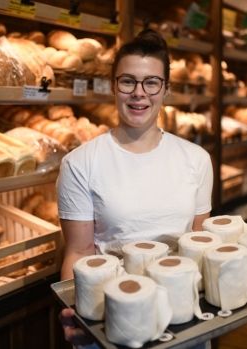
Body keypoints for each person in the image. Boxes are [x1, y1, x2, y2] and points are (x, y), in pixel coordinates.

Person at [56, 29, 214, 348]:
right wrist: (77, 315)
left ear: (166, 89)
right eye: (128, 81)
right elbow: (79, 251)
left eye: (151, 82)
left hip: (182, 316)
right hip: (112, 318)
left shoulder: (196, 159)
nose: (139, 93)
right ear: (113, 87)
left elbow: (200, 244)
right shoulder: (80, 163)